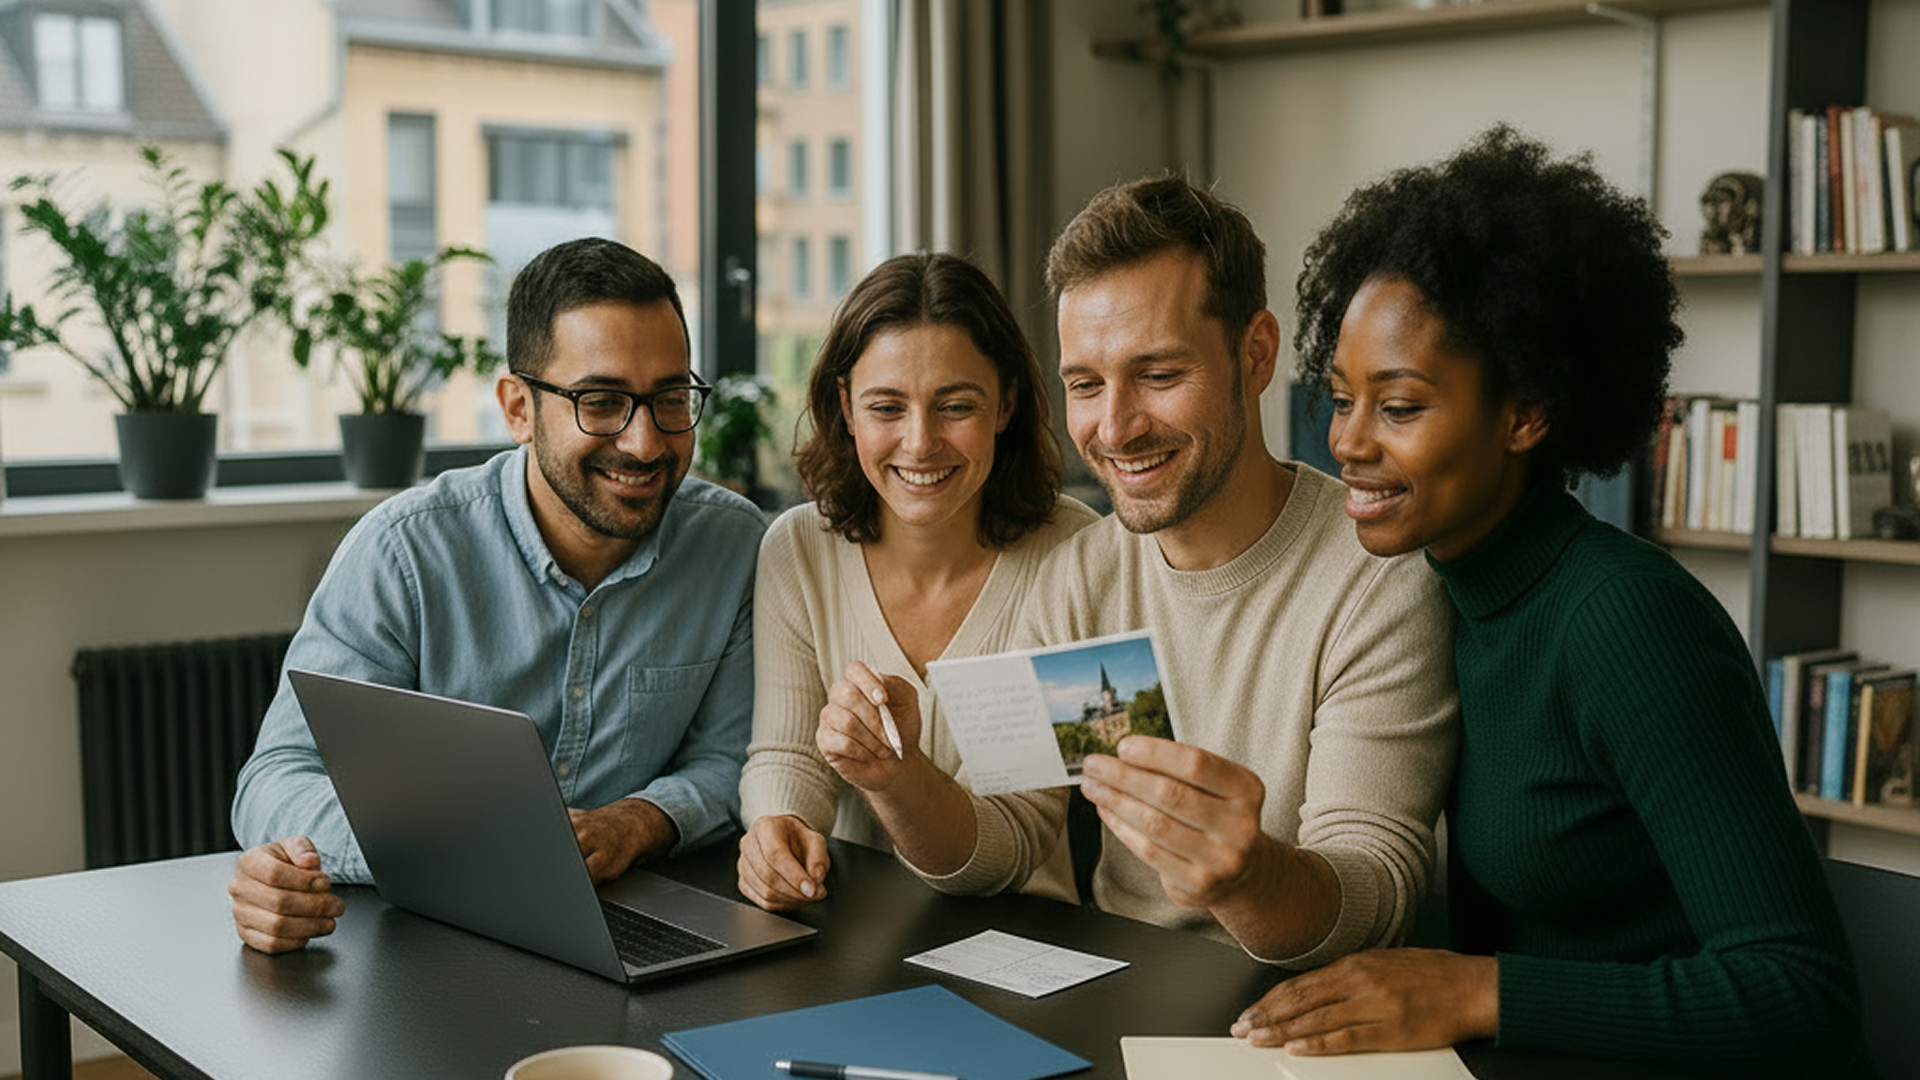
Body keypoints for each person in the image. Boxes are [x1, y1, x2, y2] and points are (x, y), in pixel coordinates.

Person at [1233, 126, 1866, 1076]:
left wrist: (1475, 989)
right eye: (1339, 397)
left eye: (1399, 407)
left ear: (1525, 413)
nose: (1347, 442)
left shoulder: (1628, 622)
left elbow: (1804, 996)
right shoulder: (1426, 588)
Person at [823, 176, 1461, 967]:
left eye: (1159, 376)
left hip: (1300, 1013)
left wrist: (1246, 875)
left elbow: (1377, 891)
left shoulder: (1376, 578)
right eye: (1086, 385)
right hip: (1120, 989)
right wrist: (896, 779)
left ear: (1255, 354)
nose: (1115, 428)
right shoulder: (1083, 573)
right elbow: (1013, 838)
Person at [228, 237, 764, 954]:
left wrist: (635, 822)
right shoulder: (403, 552)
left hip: (638, 924)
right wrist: (438, 846)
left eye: (670, 399)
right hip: (421, 944)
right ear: (518, 408)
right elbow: (276, 778)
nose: (645, 442)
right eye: (600, 402)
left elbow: (733, 760)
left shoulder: (734, 545)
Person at [735, 253, 1098, 911]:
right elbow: (787, 754)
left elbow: (1017, 843)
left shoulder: (1078, 554)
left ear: (1006, 403)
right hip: (844, 932)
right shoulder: (797, 548)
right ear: (845, 407)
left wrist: (898, 780)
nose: (921, 442)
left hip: (1031, 944)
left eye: (956, 406)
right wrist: (777, 828)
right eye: (887, 407)